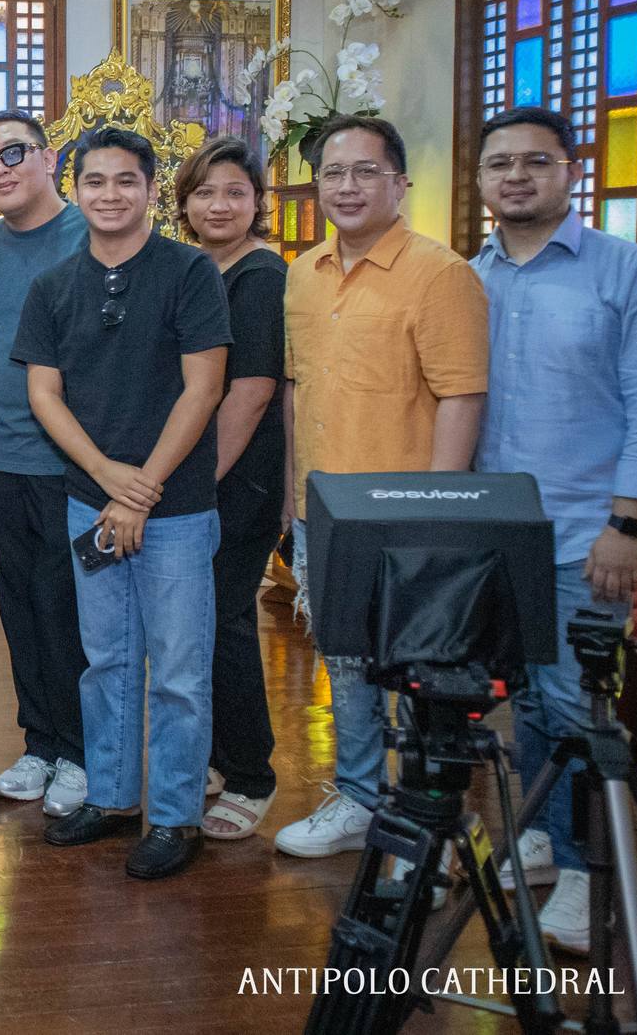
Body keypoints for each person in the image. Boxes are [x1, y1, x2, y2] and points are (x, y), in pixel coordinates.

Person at [469, 105, 637, 952]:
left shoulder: (631, 273)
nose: (515, 176)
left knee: (574, 702)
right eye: (499, 164)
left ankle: (582, 867)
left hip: (587, 530)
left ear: (571, 171)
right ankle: (535, 833)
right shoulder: (471, 275)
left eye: (535, 161)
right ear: (483, 179)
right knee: (526, 694)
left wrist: (629, 524)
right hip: (501, 530)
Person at [273, 115, 488, 860]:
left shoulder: (440, 273)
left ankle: (425, 824)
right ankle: (359, 799)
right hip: (324, 508)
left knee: (418, 676)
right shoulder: (303, 272)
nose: (348, 186)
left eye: (366, 171)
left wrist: (439, 513)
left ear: (400, 182)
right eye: (334, 172)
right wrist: (290, 497)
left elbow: (461, 396)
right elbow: (297, 389)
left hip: (406, 514)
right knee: (345, 663)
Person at [19, 127, 231, 880]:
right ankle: (110, 798)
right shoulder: (52, 287)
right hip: (91, 501)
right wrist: (109, 475)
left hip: (174, 508)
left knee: (177, 667)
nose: (110, 194)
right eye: (96, 181)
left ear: (151, 189)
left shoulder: (188, 273)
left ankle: (175, 815)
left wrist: (141, 487)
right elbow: (44, 394)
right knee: (106, 660)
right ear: (75, 189)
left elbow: (204, 387)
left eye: (126, 181)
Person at [0, 108, 90, 816]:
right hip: (6, 459)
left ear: (49, 158)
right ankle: (39, 743)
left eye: (14, 153)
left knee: (68, 615)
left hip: (74, 464)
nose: (1, 169)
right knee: (20, 612)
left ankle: (79, 751)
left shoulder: (90, 235)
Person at [174, 136, 286, 843]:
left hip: (233, 478)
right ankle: (216, 756)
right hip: (191, 474)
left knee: (226, 622)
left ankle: (252, 774)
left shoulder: (260, 275)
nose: (219, 204)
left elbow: (247, 394)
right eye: (206, 192)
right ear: (183, 202)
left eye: (235, 192)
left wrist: (189, 478)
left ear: (257, 202)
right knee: (194, 626)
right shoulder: (193, 269)